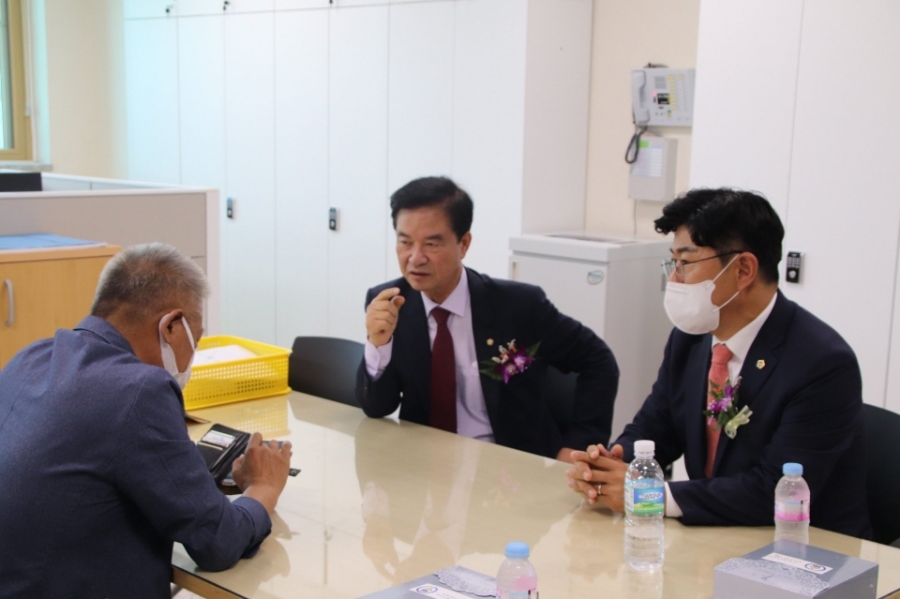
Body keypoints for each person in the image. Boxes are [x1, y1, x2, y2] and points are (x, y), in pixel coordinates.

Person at [565, 188, 871, 539]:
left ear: (743, 269)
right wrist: (611, 465)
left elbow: (775, 489)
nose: (675, 279)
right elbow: (656, 426)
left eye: (686, 262)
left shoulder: (822, 363)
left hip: (808, 548)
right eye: (672, 263)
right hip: (716, 536)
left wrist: (652, 496)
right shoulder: (690, 339)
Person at [0, 243, 293, 598]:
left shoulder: (29, 357)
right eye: (196, 342)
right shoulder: (140, 389)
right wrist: (263, 487)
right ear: (171, 326)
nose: (192, 358)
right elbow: (218, 541)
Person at [355, 176, 619, 461]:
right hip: (425, 463)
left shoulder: (519, 306)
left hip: (510, 466)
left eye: (431, 244)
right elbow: (377, 407)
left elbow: (598, 361)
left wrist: (579, 443)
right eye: (405, 242)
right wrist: (378, 344)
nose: (415, 258)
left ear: (464, 244)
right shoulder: (390, 303)